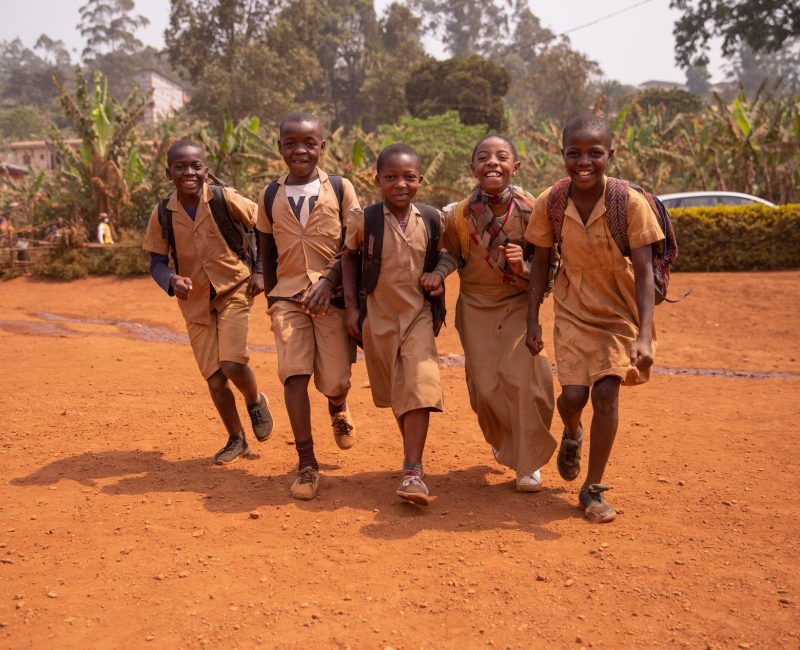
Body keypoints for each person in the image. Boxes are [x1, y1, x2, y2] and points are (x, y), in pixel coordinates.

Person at [525, 113, 664, 523]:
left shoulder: (630, 203)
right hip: (571, 308)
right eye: (574, 153)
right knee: (572, 398)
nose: (584, 161)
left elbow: (643, 274)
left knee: (605, 394)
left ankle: (593, 488)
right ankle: (572, 432)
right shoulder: (550, 201)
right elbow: (539, 264)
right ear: (562, 153)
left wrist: (643, 335)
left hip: (618, 310)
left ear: (611, 154)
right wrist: (532, 319)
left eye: (595, 153)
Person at [431, 135, 556, 493]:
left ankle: (527, 461)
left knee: (528, 379)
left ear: (515, 167)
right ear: (473, 168)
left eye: (502, 157)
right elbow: (451, 254)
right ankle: (506, 440)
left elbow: (550, 267)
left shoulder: (535, 211)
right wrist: (438, 275)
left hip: (518, 301)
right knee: (485, 387)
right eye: (484, 157)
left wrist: (525, 266)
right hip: (475, 305)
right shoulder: (456, 214)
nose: (492, 163)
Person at [142, 139, 273, 465]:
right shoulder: (162, 214)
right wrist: (172, 281)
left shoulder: (224, 198)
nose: (189, 172)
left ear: (206, 169)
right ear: (169, 171)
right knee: (214, 379)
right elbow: (156, 263)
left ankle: (255, 400)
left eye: (195, 166)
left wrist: (260, 271)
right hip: (196, 302)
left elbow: (263, 227)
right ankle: (236, 438)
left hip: (235, 290)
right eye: (180, 167)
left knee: (231, 362)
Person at [341, 144, 455, 506]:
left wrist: (438, 275)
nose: (400, 184)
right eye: (391, 177)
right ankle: (412, 462)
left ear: (420, 180)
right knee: (398, 393)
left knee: (421, 385)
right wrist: (350, 310)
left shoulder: (433, 218)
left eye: (408, 177)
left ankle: (412, 471)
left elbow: (449, 254)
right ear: (377, 180)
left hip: (419, 315)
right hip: (379, 317)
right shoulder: (365, 219)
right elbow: (348, 257)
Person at [256, 112, 360, 501]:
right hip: (287, 299)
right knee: (293, 374)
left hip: (330, 299)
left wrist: (330, 283)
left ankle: (338, 407)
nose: (300, 150)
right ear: (280, 147)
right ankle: (307, 462)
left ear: (322, 146)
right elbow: (265, 250)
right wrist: (272, 297)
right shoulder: (269, 194)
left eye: (309, 143)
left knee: (335, 380)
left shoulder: (340, 188)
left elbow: (354, 244)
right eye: (291, 143)